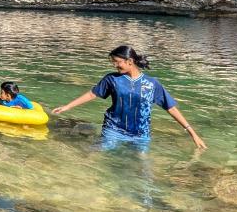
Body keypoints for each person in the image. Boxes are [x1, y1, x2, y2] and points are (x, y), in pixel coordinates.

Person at [52, 45, 207, 150]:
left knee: (141, 168)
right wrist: (67, 106)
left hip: (141, 134)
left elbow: (171, 108)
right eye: (113, 62)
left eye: (117, 62)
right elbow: (93, 93)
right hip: (113, 128)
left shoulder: (152, 84)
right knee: (94, 153)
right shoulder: (111, 79)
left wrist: (193, 134)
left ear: (130, 61)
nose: (114, 66)